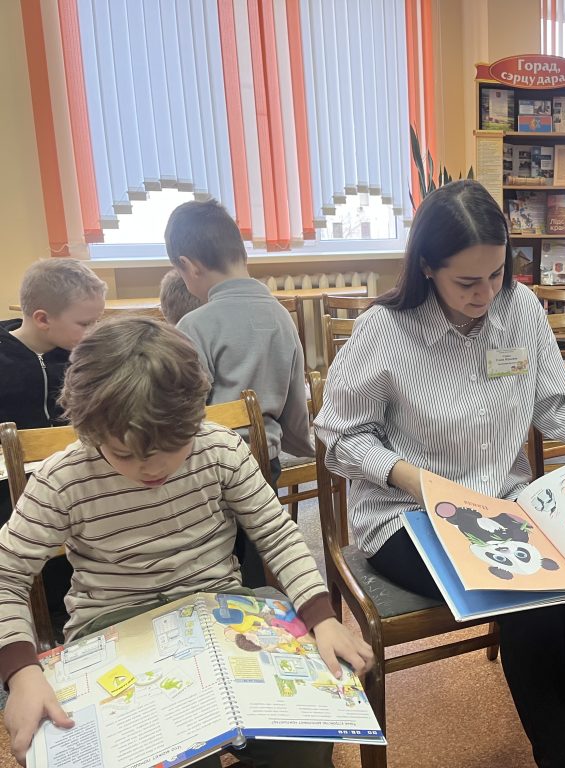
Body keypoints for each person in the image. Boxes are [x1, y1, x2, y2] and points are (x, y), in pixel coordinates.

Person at [314, 179, 565, 768]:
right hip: (407, 515)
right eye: (467, 282)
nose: (486, 293)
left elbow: (557, 404)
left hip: (505, 504)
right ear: (427, 267)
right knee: (527, 592)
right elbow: (340, 435)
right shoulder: (386, 329)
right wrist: (414, 479)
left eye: (497, 274)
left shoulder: (519, 309)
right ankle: (562, 758)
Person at [0, 316, 372, 768]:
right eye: (125, 454)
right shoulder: (62, 480)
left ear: (197, 416)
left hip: (220, 609)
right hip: (115, 623)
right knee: (177, 756)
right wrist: (21, 671)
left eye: (174, 447)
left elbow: (276, 533)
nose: (152, 469)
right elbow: (6, 575)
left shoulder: (219, 449)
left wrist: (322, 616)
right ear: (88, 430)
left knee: (305, 742)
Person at [166, 198, 313, 586]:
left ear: (189, 267)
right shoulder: (282, 316)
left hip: (212, 468)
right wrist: (302, 445)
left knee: (215, 556)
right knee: (261, 547)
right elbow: (295, 399)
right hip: (267, 459)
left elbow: (184, 413)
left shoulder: (194, 324)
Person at [0, 258, 107, 637]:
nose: (93, 332)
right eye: (85, 324)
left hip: (75, 475)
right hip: (11, 487)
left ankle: (75, 615)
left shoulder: (85, 356)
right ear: (43, 319)